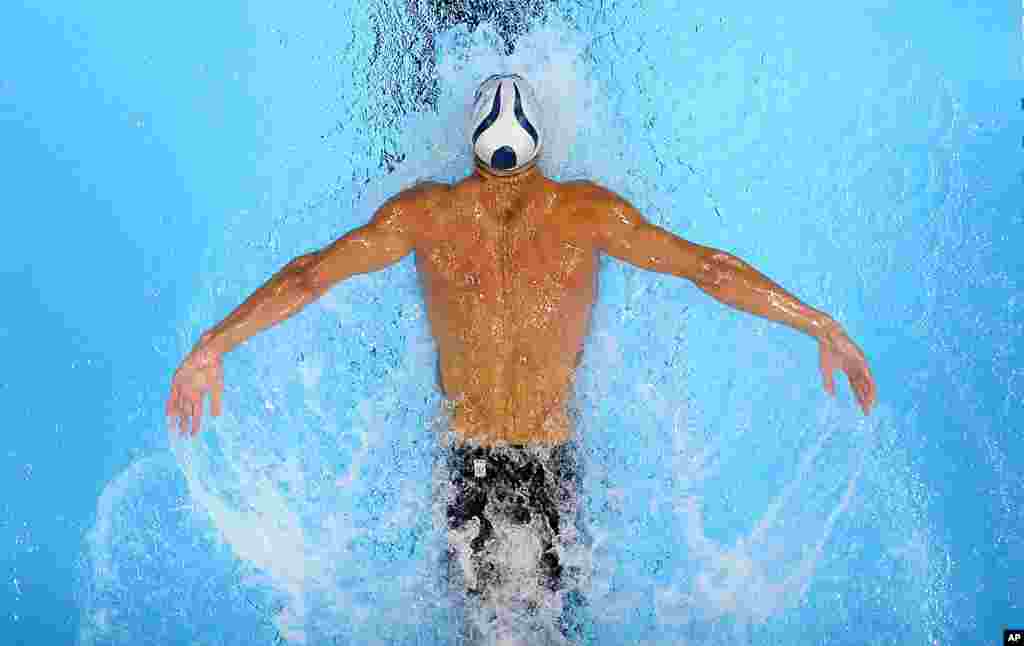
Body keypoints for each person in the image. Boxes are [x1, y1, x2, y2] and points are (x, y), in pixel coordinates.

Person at [167, 73, 877, 640]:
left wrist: (213, 344)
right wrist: (817, 323)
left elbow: (308, 276)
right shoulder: (590, 213)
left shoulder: (422, 216)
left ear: (471, 145)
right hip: (551, 462)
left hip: (468, 466)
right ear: (541, 142)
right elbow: (712, 270)